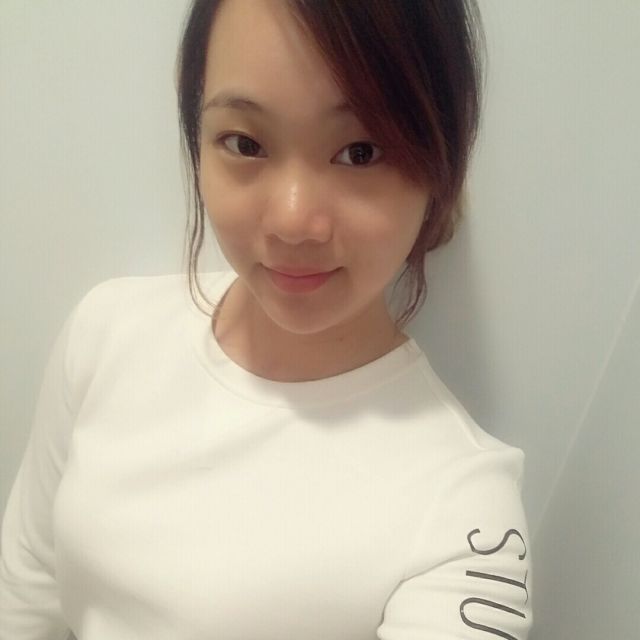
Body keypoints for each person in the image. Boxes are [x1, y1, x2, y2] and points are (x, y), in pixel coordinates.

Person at [0, 0, 533, 638]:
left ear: (440, 167)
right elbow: (26, 586)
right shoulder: (107, 330)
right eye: (246, 144)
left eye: (361, 152)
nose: (292, 221)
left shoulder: (464, 513)